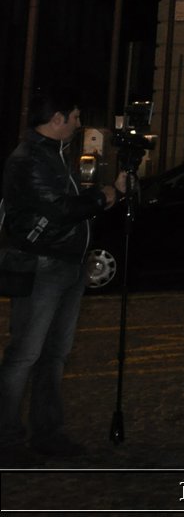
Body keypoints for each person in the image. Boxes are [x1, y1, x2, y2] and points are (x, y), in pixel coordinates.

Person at [0, 87, 126, 460]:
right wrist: (102, 196)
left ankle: (47, 433)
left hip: (65, 264)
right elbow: (58, 209)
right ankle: (7, 441)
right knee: (25, 354)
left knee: (55, 355)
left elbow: (64, 207)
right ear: (56, 119)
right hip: (42, 265)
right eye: (74, 117)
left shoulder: (54, 155)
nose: (78, 124)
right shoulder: (29, 159)